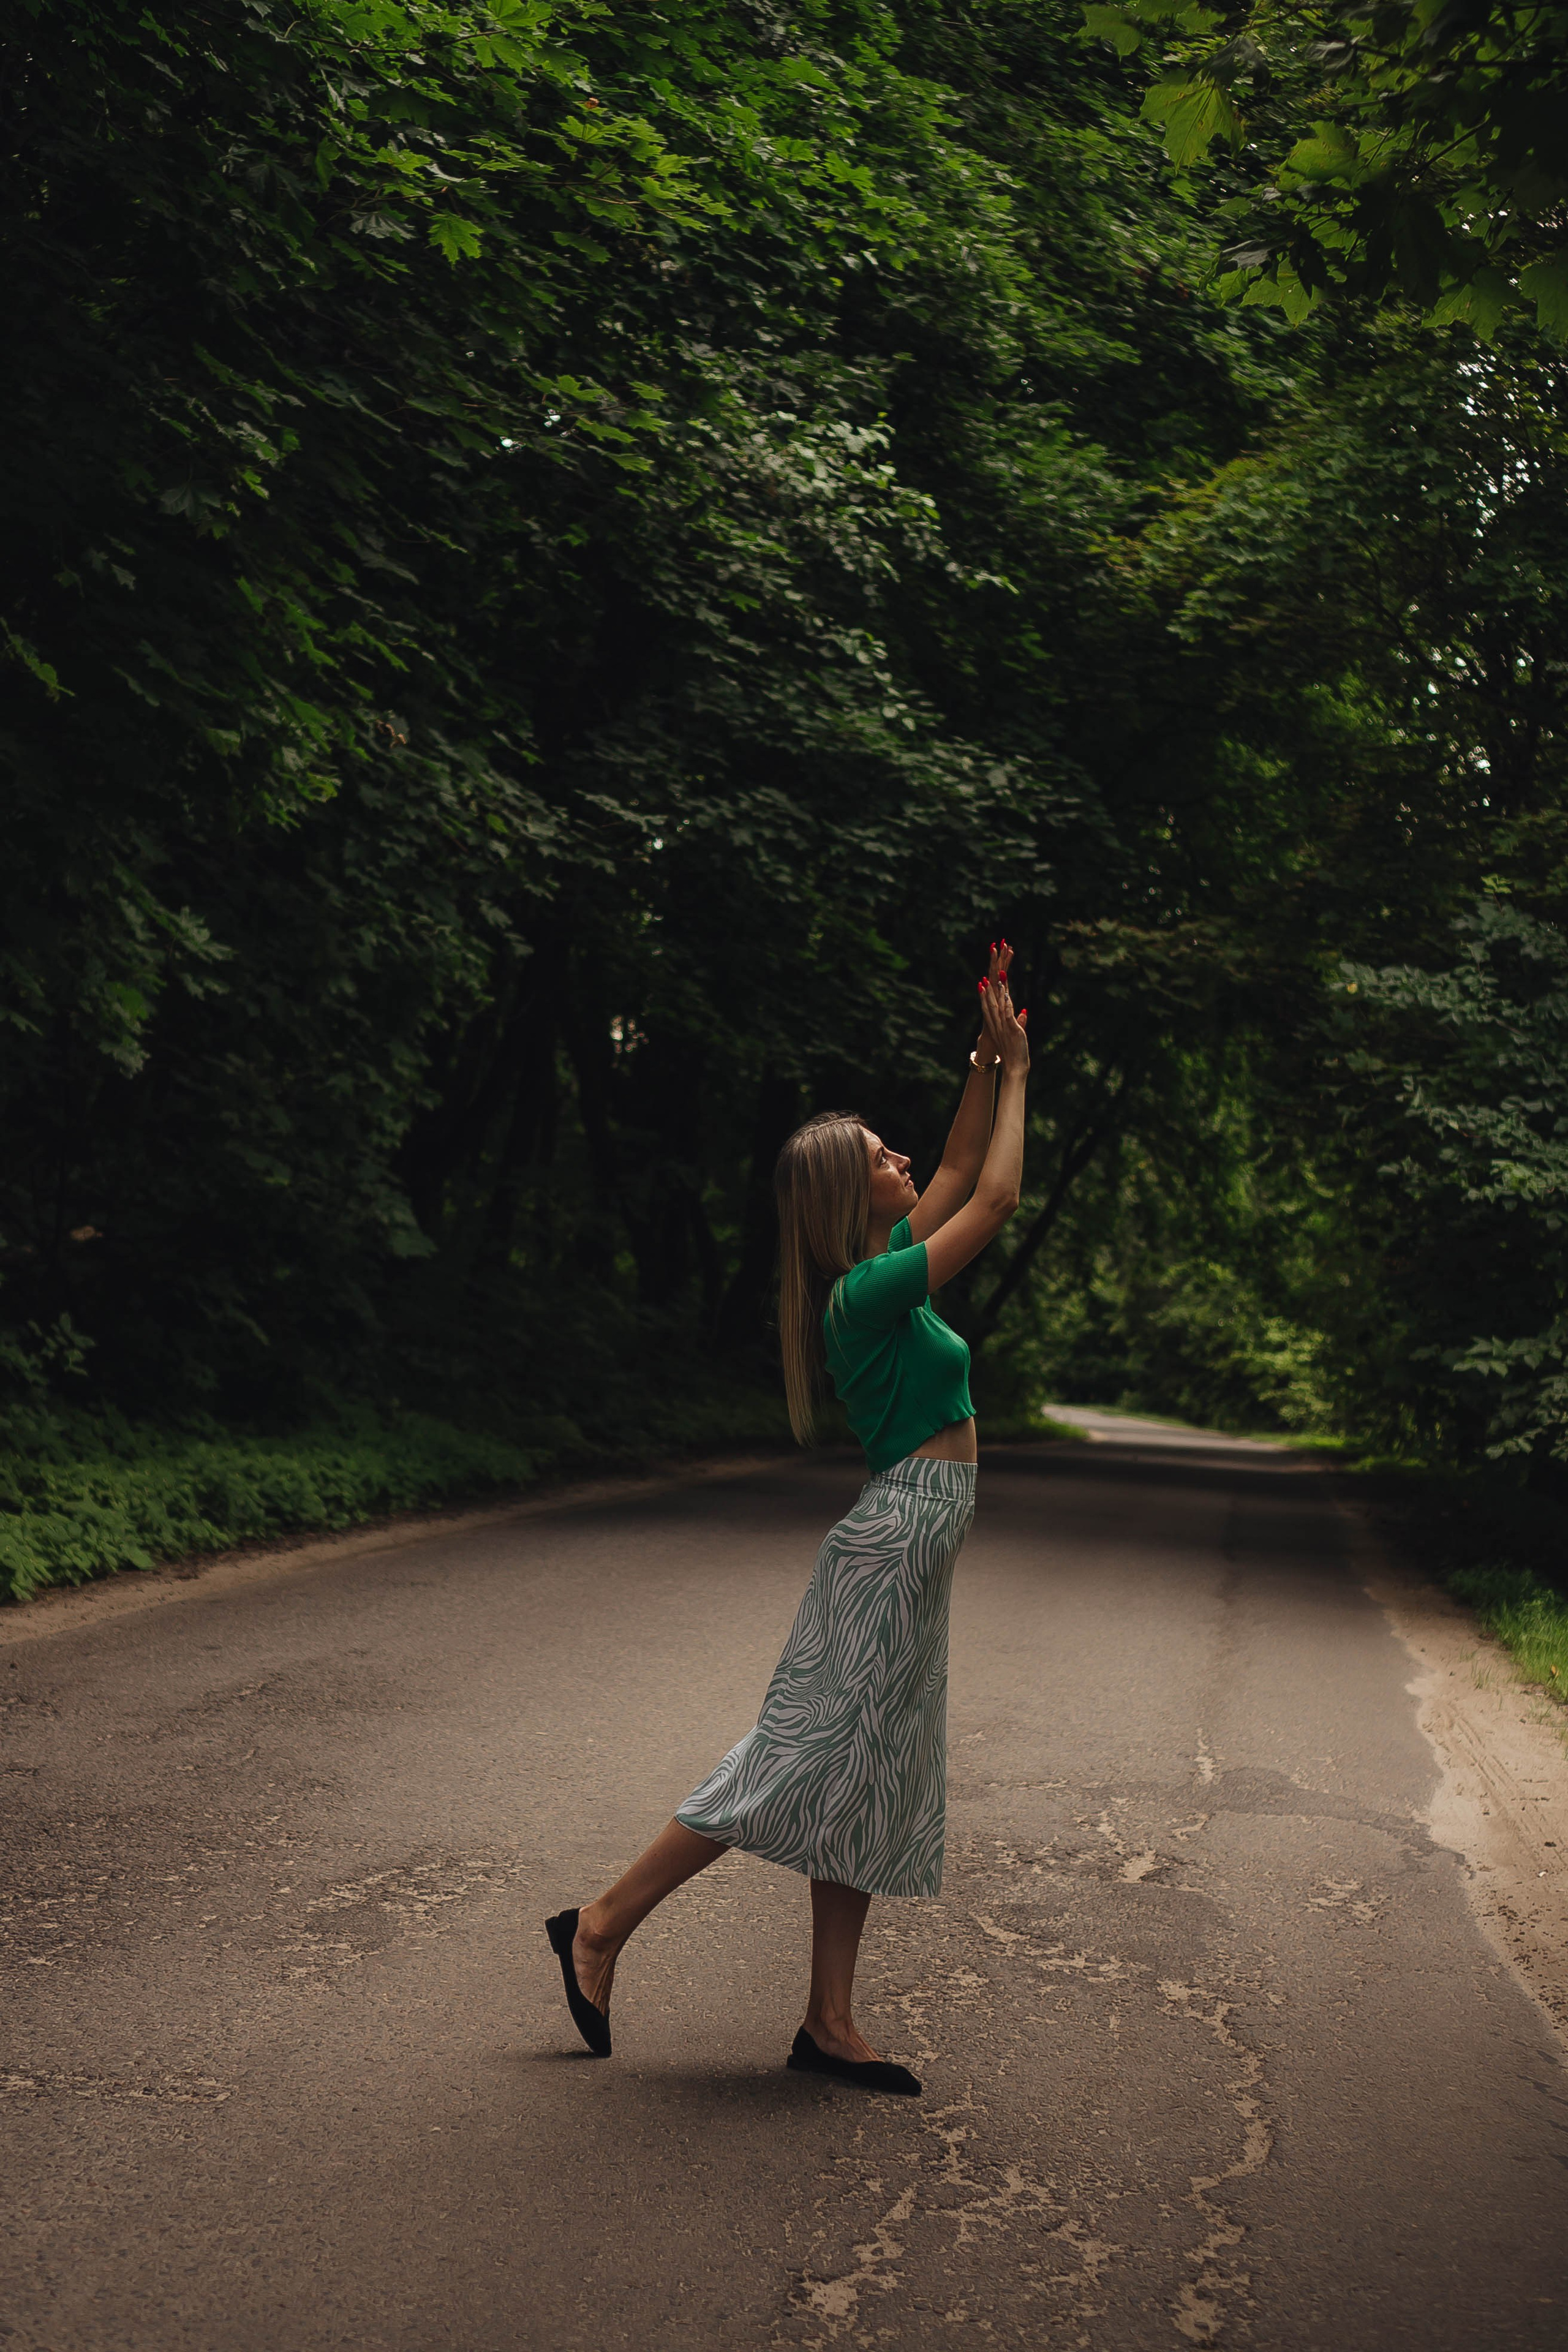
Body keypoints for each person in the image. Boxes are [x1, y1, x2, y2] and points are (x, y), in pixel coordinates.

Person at [545, 942, 1030, 2096]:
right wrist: (1024, 1076)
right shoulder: (866, 1295)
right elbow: (999, 1192)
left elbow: (962, 1162)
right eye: (879, 1156)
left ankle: (827, 2022)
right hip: (893, 1541)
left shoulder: (888, 1263)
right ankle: (601, 1925)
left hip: (914, 1542)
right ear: (839, 1195)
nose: (903, 1158)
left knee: (865, 1779)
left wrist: (986, 1056)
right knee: (794, 1761)